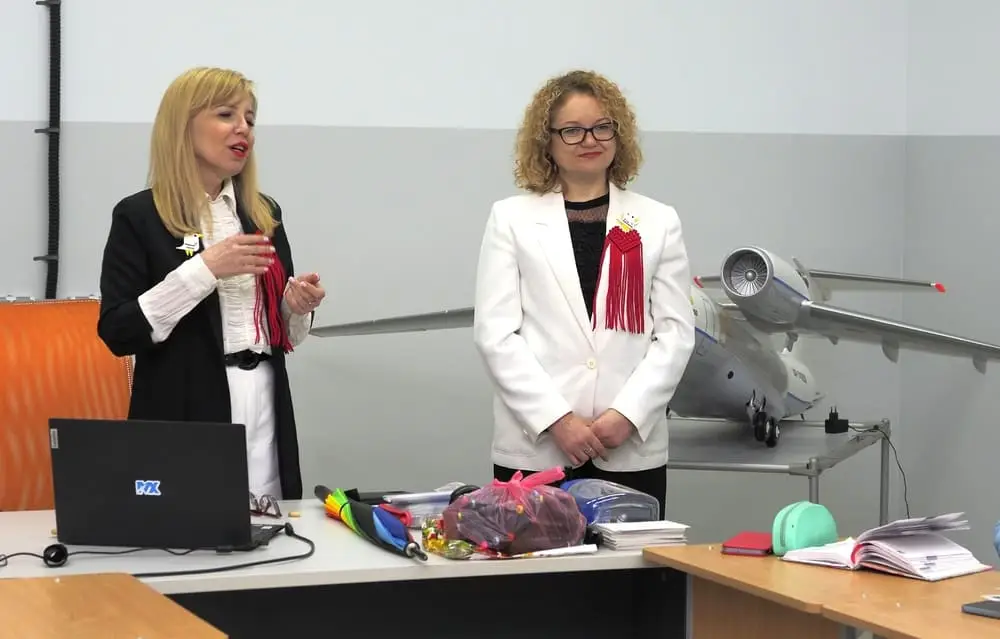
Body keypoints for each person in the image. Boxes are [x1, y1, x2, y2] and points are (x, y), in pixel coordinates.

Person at [472, 69, 695, 516]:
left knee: (629, 563)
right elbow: (495, 335)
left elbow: (675, 334)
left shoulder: (658, 221)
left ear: (618, 133)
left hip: (627, 447)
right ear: (547, 141)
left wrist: (628, 414)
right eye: (572, 130)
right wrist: (557, 420)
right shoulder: (511, 219)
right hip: (538, 448)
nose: (589, 139)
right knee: (539, 561)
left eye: (601, 127)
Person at [96, 67, 325, 501]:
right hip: (186, 408)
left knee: (270, 520)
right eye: (226, 114)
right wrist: (204, 270)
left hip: (266, 399)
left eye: (250, 119)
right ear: (182, 125)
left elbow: (284, 336)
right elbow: (118, 331)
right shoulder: (139, 216)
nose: (244, 129)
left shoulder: (264, 214)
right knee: (193, 523)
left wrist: (295, 307)